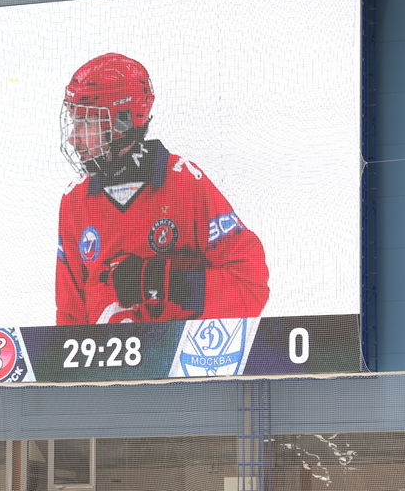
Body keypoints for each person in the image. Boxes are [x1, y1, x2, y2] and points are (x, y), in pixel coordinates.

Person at [55, 53, 269, 325]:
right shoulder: (75, 201)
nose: (73, 138)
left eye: (85, 123)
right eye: (74, 122)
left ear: (123, 121)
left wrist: (160, 282)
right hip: (109, 367)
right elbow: (70, 317)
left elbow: (250, 286)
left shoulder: (185, 184)